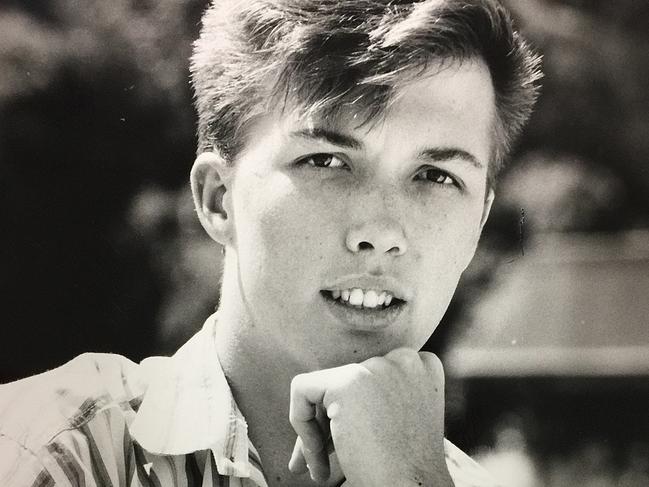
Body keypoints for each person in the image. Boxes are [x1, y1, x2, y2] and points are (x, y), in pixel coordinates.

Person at [0, 0, 541, 486]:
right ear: (218, 199)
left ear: (478, 222)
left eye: (436, 176)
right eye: (326, 161)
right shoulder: (49, 453)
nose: (381, 233)